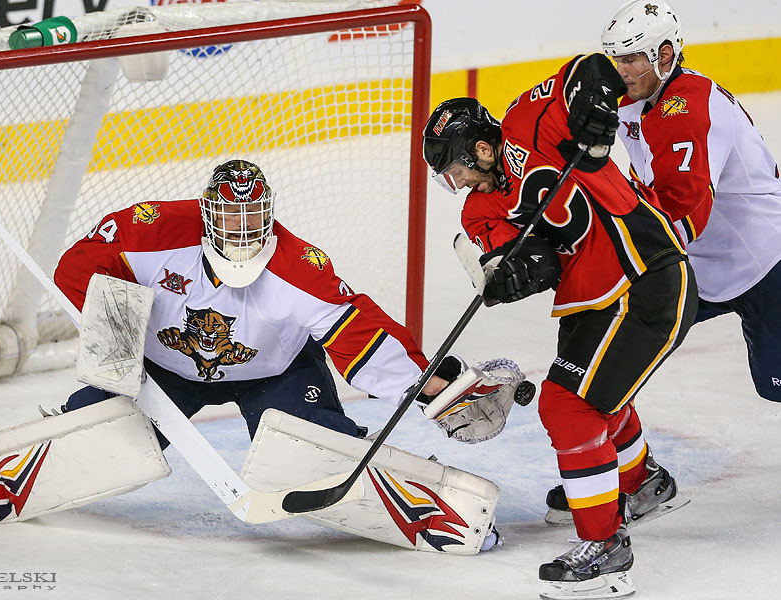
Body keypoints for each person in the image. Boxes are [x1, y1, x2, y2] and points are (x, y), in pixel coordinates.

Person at [422, 52, 697, 598]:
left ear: (481, 147)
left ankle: (605, 546)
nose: (456, 181)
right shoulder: (477, 212)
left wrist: (596, 109)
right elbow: (533, 264)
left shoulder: (529, 122)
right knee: (595, 398)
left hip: (644, 272)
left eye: (457, 168)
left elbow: (589, 69)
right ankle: (641, 485)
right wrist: (505, 277)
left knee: (568, 405)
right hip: (591, 298)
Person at [54, 159, 450, 446]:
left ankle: (344, 449)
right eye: (229, 215)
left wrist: (426, 386)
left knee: (310, 453)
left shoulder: (298, 265)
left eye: (252, 215)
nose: (242, 228)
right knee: (96, 439)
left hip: (276, 375)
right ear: (207, 213)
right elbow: (79, 270)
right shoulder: (153, 231)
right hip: (160, 371)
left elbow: (357, 329)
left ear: (269, 214)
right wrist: (119, 356)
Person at [602, 0, 781, 402]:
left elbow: (683, 210)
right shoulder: (635, 103)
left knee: (777, 388)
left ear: (664, 54)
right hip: (702, 263)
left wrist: (615, 255)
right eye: (617, 59)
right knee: (619, 338)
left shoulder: (688, 106)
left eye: (631, 58)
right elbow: (649, 185)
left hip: (764, 262)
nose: (622, 70)